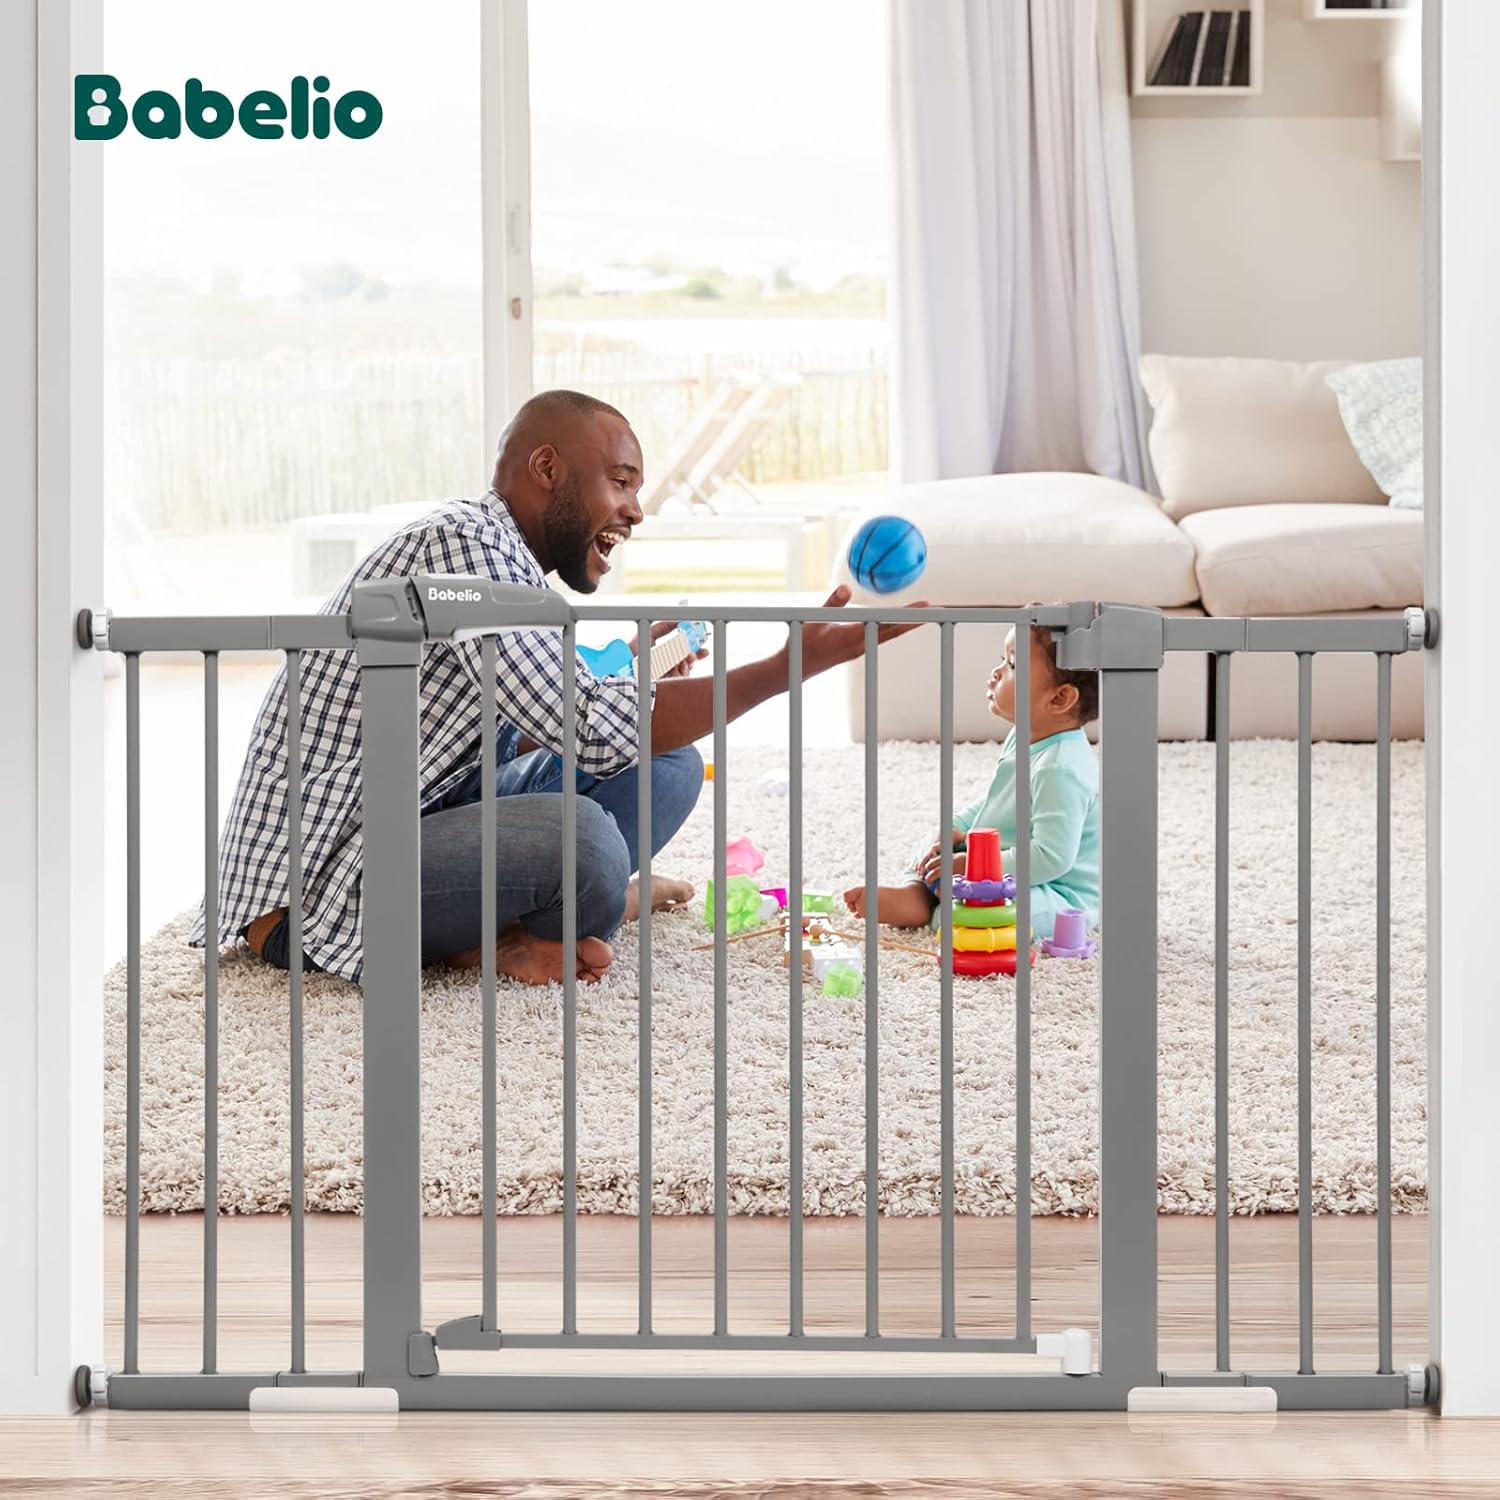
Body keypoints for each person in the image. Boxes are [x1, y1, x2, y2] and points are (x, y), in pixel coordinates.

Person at [190, 389, 920, 987]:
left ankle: (530, 922)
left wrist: (633, 668)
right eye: (621, 482)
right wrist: (789, 667)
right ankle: (524, 930)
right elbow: (589, 729)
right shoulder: (463, 547)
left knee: (667, 764)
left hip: (424, 812)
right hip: (320, 883)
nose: (635, 510)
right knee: (584, 840)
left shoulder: (508, 568)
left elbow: (526, 728)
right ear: (547, 467)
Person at [843, 620, 1100, 941]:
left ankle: (937, 906)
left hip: (1054, 890)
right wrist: (958, 828)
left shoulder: (1059, 768)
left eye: (1012, 665)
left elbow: (1051, 858)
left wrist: (973, 866)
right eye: (1003, 660)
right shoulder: (1024, 735)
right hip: (1003, 859)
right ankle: (917, 890)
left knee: (971, 916)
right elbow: (998, 799)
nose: (996, 672)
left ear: (1060, 699)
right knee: (937, 840)